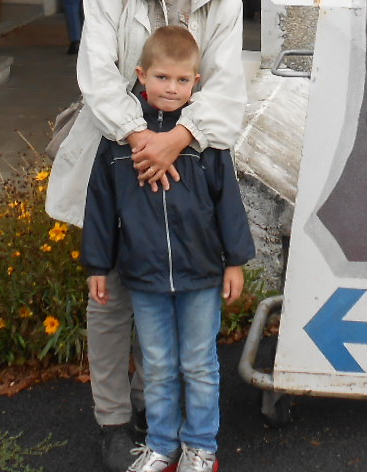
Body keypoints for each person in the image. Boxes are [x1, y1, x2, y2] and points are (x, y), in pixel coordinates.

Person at [46, 0, 247, 472]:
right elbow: (97, 72)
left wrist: (178, 139)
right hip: (117, 154)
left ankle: (162, 423)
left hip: (188, 160)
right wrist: (140, 137)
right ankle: (114, 419)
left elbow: (226, 85)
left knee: (176, 289)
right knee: (111, 295)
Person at [83, 26, 253, 472]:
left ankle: (201, 447)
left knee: (198, 363)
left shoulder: (204, 140)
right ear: (141, 77)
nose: (171, 88)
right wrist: (98, 265)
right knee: (156, 365)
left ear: (196, 82)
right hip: (144, 274)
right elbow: (100, 206)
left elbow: (228, 202)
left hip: (200, 273)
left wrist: (235, 261)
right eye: (161, 78)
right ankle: (161, 446)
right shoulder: (119, 142)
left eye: (181, 80)